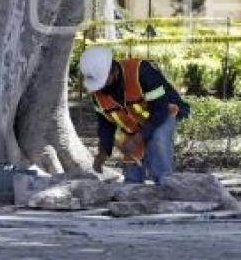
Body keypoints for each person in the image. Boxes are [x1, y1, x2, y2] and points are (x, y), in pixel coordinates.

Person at [80, 46, 190, 183]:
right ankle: (133, 187)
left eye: (102, 81)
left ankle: (165, 185)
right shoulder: (97, 93)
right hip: (132, 125)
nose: (100, 87)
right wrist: (103, 151)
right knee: (131, 169)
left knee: (157, 141)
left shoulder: (141, 71)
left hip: (162, 113)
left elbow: (160, 108)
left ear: (113, 70)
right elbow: (105, 124)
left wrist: (139, 138)